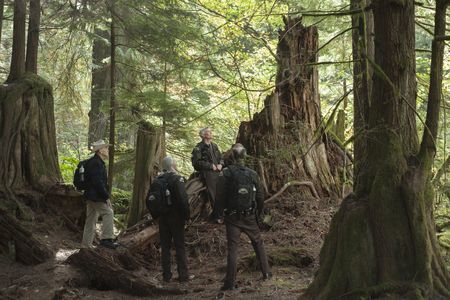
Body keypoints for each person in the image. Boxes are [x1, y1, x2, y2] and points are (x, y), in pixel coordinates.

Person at [216, 143, 271, 291]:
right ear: (245, 156)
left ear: (232, 156)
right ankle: (267, 273)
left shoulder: (226, 173)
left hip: (232, 217)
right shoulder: (252, 173)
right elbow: (260, 196)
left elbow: (219, 195)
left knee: (233, 249)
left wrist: (218, 214)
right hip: (249, 216)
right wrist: (258, 212)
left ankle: (229, 283)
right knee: (258, 243)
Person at [158, 156, 192, 283]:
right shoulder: (177, 179)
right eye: (175, 163)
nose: (176, 165)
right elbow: (183, 200)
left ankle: (166, 276)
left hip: (162, 218)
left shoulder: (158, 179)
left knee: (165, 247)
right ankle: (183, 276)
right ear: (172, 165)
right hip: (176, 218)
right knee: (179, 246)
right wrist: (187, 216)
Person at [81, 140, 119, 249]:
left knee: (91, 220)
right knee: (109, 213)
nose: (107, 150)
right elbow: (98, 182)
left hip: (90, 196)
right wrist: (106, 197)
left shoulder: (95, 162)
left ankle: (85, 246)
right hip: (95, 196)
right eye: (106, 148)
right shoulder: (96, 163)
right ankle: (106, 239)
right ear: (100, 150)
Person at [191, 127, 224, 221]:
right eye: (208, 132)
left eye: (210, 132)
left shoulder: (214, 146)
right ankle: (218, 217)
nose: (210, 133)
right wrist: (210, 166)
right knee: (214, 194)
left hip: (219, 172)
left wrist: (221, 164)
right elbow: (196, 163)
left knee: (222, 192)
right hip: (208, 174)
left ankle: (222, 213)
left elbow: (221, 157)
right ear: (204, 135)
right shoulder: (198, 148)